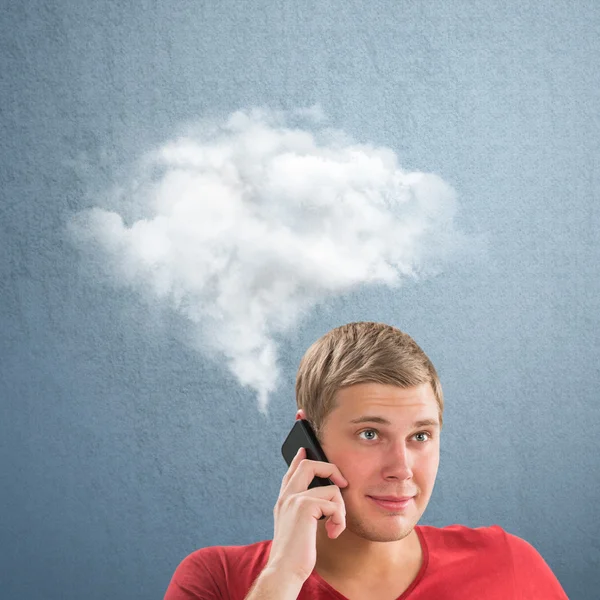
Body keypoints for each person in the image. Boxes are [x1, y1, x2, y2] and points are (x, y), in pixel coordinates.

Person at [164, 321, 569, 599]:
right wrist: (283, 577)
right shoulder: (217, 580)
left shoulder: (509, 565)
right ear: (309, 440)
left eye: (420, 436)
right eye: (370, 434)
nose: (402, 468)